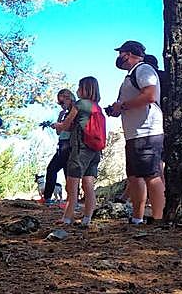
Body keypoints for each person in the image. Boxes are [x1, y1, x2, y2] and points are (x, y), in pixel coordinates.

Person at [106, 40, 164, 226]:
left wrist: (122, 105)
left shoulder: (143, 69)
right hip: (133, 133)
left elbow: (150, 96)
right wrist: (117, 109)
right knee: (135, 176)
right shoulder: (131, 75)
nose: (119, 58)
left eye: (121, 53)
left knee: (151, 175)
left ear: (128, 54)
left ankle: (158, 218)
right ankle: (137, 218)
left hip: (147, 131)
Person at [56, 77, 103, 228]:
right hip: (95, 149)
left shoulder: (80, 104)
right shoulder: (96, 107)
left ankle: (67, 218)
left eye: (79, 86)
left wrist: (58, 125)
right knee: (88, 184)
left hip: (80, 148)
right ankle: (87, 218)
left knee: (72, 183)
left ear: (84, 89)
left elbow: (66, 124)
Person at [41, 88, 74, 206]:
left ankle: (71, 200)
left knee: (68, 173)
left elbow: (72, 127)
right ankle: (48, 197)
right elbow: (59, 132)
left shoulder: (75, 110)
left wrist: (61, 124)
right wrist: (59, 121)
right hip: (61, 143)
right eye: (59, 103)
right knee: (52, 169)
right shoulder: (62, 113)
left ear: (68, 98)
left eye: (62, 102)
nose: (61, 105)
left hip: (70, 144)